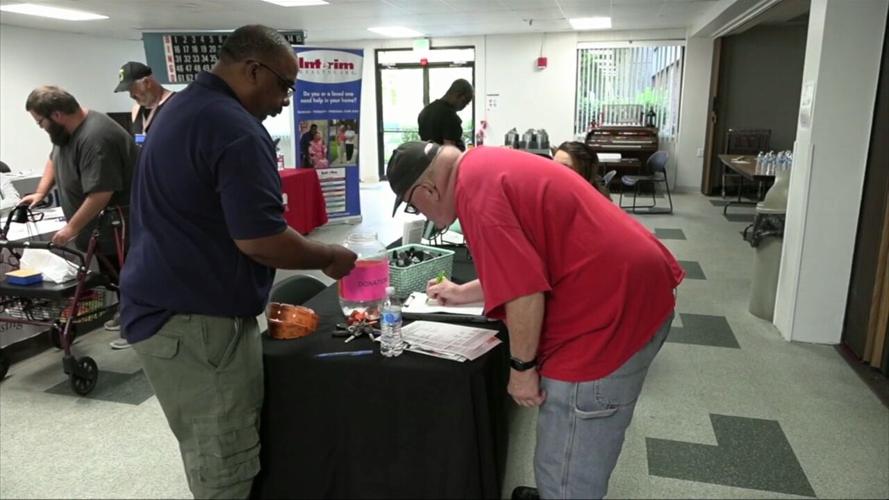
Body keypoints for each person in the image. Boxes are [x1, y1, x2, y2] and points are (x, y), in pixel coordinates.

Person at [119, 25, 357, 499]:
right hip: (196, 323)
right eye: (285, 85)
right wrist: (328, 255)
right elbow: (261, 239)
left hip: (164, 309)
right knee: (225, 468)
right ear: (253, 70)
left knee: (210, 453)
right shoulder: (234, 129)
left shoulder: (180, 107)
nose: (286, 100)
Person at [387, 141, 685, 500]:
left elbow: (524, 292)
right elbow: (530, 257)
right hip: (632, 289)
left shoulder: (476, 195)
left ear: (427, 190)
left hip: (608, 314)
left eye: (411, 204)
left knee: (568, 453)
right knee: (566, 447)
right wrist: (463, 293)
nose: (419, 213)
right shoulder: (483, 165)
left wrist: (522, 369)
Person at [23, 86, 136, 349]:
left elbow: (101, 193)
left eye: (40, 121)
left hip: (119, 224)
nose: (40, 127)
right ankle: (129, 313)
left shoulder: (96, 137)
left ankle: (139, 326)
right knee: (118, 277)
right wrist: (41, 191)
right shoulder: (67, 133)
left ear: (58, 114)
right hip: (99, 226)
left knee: (131, 274)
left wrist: (70, 229)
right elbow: (54, 158)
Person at [113, 61, 176, 137]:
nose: (131, 95)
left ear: (147, 83)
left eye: (133, 89)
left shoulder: (176, 103)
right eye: (129, 91)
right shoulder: (137, 108)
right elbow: (138, 138)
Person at [417, 79, 473, 151]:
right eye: (466, 102)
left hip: (427, 160)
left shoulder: (425, 111)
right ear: (459, 96)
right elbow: (449, 152)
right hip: (445, 161)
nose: (464, 106)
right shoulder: (450, 117)